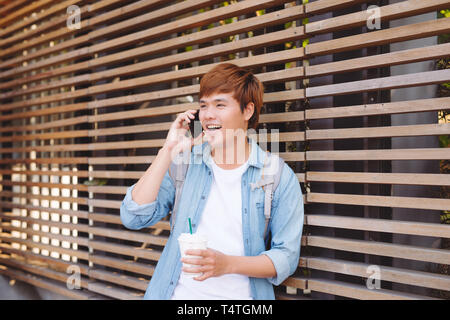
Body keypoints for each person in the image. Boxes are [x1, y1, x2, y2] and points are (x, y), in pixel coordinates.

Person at [120, 63, 304, 300]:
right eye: (204, 105)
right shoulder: (185, 164)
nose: (208, 114)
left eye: (220, 104)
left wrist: (226, 264)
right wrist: (167, 151)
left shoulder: (277, 175)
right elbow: (133, 216)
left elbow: (286, 257)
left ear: (247, 111)